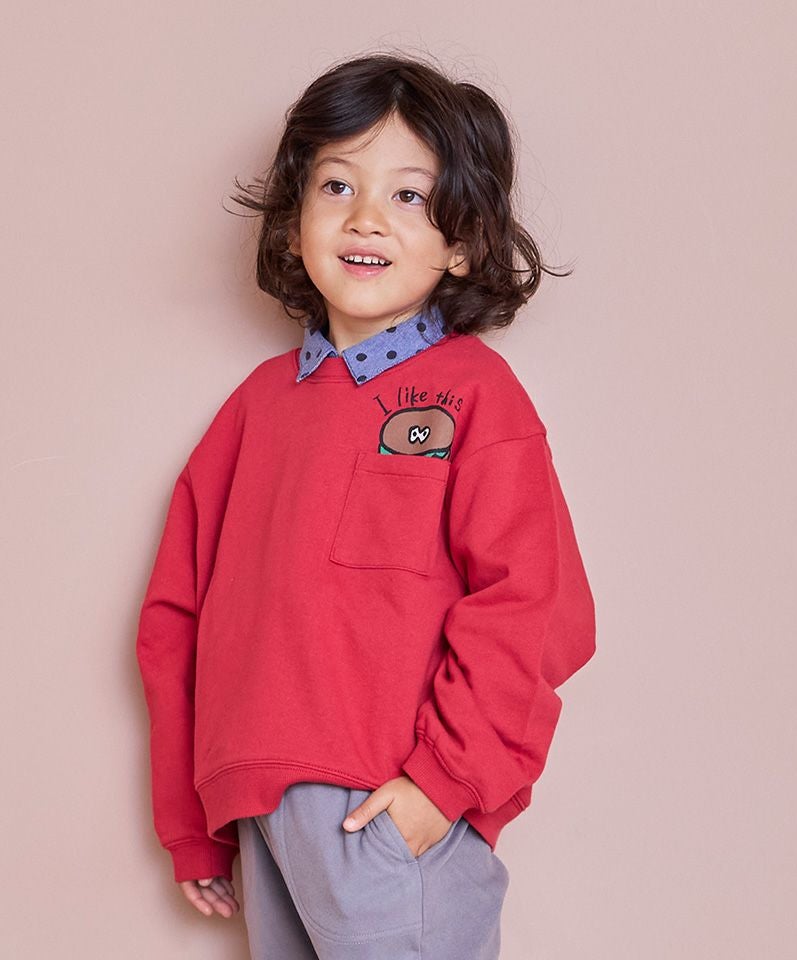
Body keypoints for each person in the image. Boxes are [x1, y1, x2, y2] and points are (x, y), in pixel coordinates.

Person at [135, 50, 596, 960]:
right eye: (337, 185)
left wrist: (444, 781)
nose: (366, 217)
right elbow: (176, 616)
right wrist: (191, 820)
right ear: (293, 221)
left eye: (410, 196)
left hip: (386, 798)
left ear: (463, 242)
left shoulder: (474, 395)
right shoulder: (254, 409)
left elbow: (536, 606)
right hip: (257, 808)